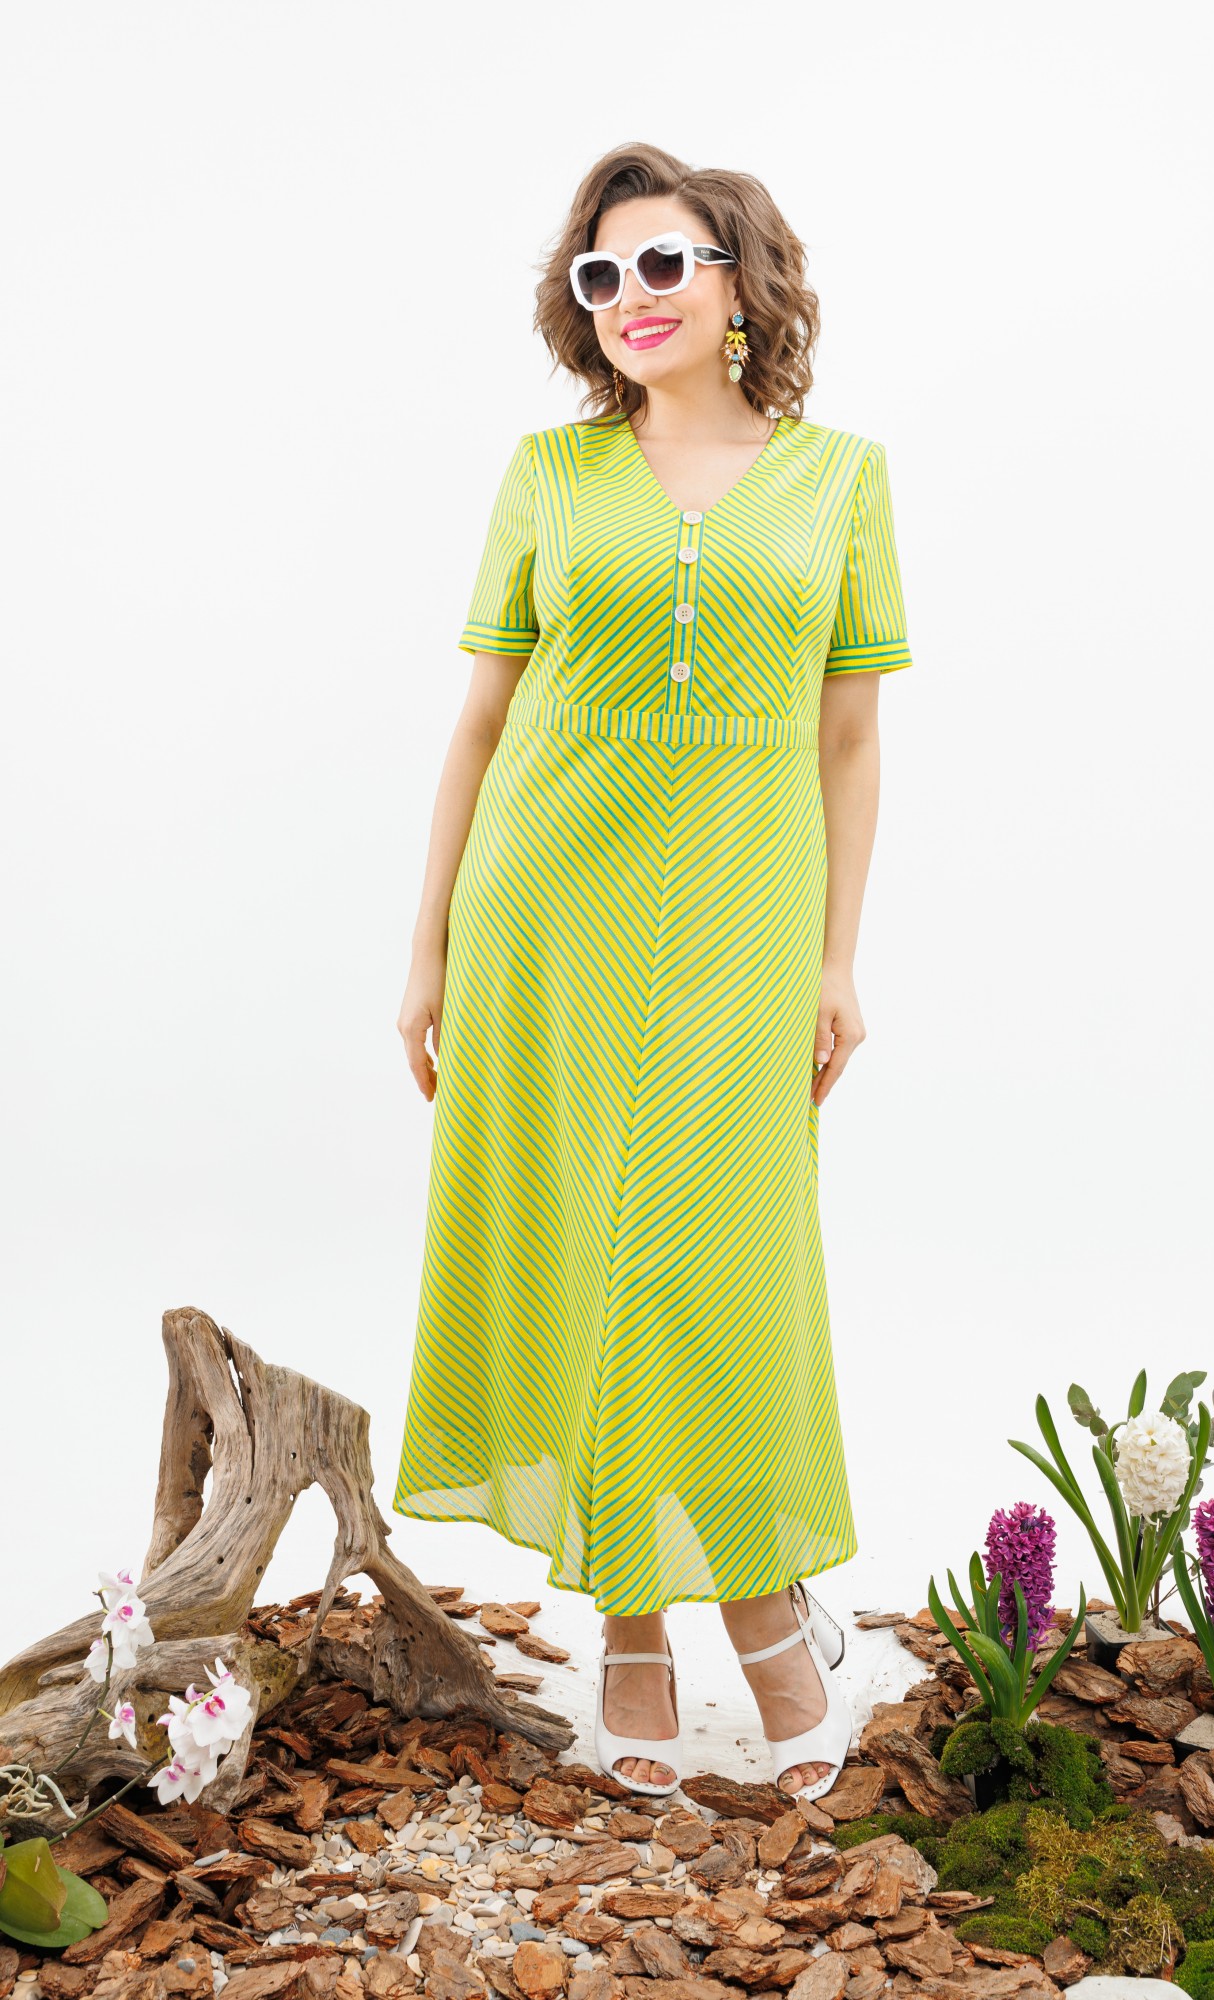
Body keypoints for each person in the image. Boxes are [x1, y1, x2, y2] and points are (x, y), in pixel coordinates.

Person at [393, 142, 913, 1804]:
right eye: (602, 273)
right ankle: (628, 1622)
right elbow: (483, 718)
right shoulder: (548, 474)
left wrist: (837, 956)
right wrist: (428, 942)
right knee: (578, 1249)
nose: (630, 296)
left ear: (740, 279)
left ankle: (759, 1600)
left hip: (745, 923)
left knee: (711, 1254)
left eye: (665, 262)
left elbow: (847, 736)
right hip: (546, 907)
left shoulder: (840, 479)